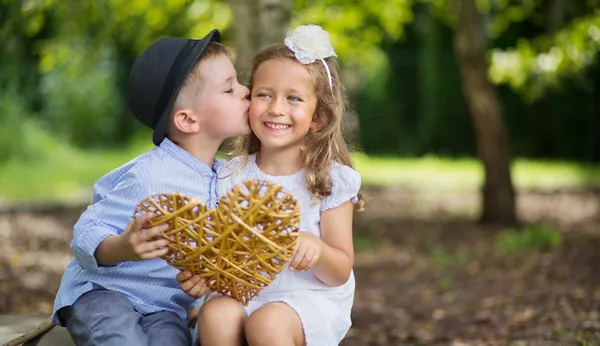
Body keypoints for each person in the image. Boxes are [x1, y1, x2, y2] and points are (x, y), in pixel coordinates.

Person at [52, 29, 250, 346]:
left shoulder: (229, 179)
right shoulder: (150, 175)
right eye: (229, 89)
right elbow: (87, 228)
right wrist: (121, 248)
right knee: (123, 340)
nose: (246, 91)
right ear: (187, 121)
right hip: (106, 294)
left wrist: (202, 284)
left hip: (164, 308)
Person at [193, 24, 365, 346]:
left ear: (319, 118)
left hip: (304, 300)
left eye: (294, 98)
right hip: (242, 291)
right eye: (264, 95)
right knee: (216, 314)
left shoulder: (329, 181)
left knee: (268, 323)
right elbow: (215, 249)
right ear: (249, 99)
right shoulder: (229, 176)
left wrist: (318, 250)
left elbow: (340, 270)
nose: (276, 109)